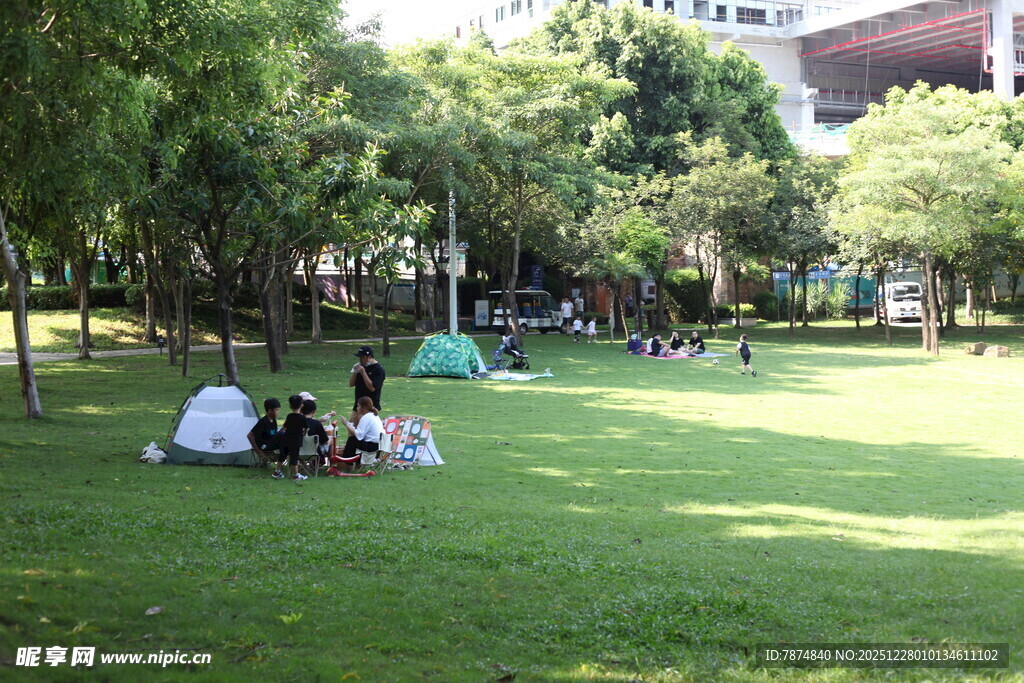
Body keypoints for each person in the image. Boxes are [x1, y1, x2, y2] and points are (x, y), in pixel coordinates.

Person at [329, 396, 385, 474]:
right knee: (354, 440)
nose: (357, 408)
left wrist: (347, 424)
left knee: (352, 440)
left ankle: (348, 464)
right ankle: (355, 464)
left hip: (372, 447)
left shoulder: (366, 417)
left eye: (358, 406)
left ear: (364, 408)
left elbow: (359, 435)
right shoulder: (374, 416)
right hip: (379, 446)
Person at [274, 394, 308, 480]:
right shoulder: (302, 417)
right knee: (294, 457)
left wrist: (279, 432)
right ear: (302, 405)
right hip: (295, 440)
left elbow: (285, 427)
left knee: (282, 455)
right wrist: (304, 434)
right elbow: (306, 428)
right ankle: (295, 475)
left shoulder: (289, 416)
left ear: (290, 406)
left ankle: (277, 472)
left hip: (286, 438)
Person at [349, 345, 385, 421]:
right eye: (360, 358)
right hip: (358, 406)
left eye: (363, 357)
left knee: (365, 431)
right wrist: (355, 372)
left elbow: (372, 388)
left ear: (370, 357)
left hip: (370, 407)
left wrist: (363, 373)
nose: (360, 360)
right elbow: (351, 384)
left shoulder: (378, 370)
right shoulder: (361, 367)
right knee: (351, 428)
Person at [248, 398, 281, 463]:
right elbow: (250, 436)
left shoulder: (274, 421)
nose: (278, 412)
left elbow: (273, 435)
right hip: (264, 446)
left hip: (271, 444)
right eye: (276, 410)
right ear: (270, 411)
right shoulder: (263, 422)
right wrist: (259, 452)